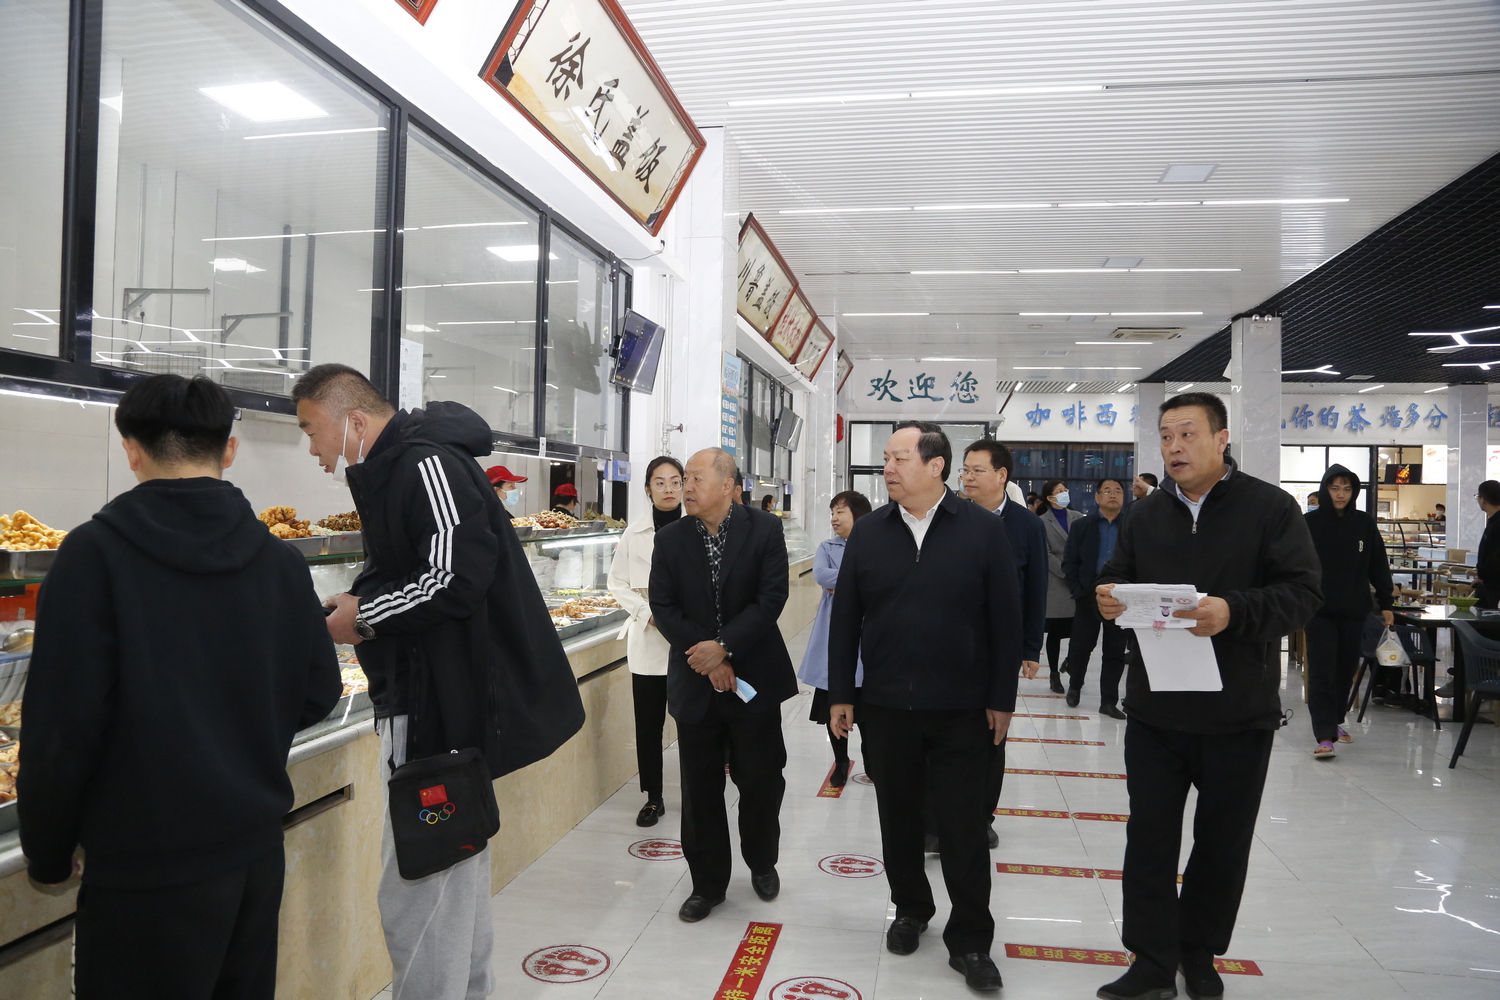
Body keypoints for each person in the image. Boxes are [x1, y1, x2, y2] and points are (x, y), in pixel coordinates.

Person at [20, 374, 342, 1000]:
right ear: (229, 450)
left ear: (130, 449)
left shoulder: (92, 556)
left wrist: (49, 852)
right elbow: (318, 690)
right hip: (253, 854)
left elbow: (62, 728)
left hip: (143, 864)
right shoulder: (279, 559)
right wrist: (238, 736)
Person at [293, 364, 584, 1000]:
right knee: (451, 875)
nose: (311, 447)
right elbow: (418, 566)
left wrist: (365, 616)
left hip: (436, 708)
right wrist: (362, 597)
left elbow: (456, 576)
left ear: (354, 420)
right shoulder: (395, 468)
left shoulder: (426, 464)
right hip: (429, 696)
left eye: (312, 430)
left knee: (421, 885)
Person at [1094, 391, 1321, 1000]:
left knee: (1222, 843)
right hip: (1156, 711)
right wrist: (1107, 595)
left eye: (1187, 434)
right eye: (1166, 436)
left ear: (1222, 439)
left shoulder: (1270, 509)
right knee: (1149, 839)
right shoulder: (1145, 515)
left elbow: (1303, 593)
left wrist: (1234, 611)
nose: (1174, 447)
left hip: (1238, 713)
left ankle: (1198, 955)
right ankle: (1150, 961)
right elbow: (1115, 576)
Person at [829, 421, 1021, 993]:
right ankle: (911, 908)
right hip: (887, 706)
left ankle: (971, 940)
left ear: (937, 466)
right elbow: (846, 618)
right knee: (899, 818)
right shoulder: (870, 533)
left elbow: (1005, 619)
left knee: (963, 825)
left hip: (962, 707)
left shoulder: (982, 530)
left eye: (900, 458)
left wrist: (1001, 698)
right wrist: (842, 692)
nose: (888, 468)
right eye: (887, 458)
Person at [649, 448, 797, 923]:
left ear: (729, 486)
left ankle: (762, 861)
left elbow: (770, 598)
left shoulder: (765, 529)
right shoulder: (670, 539)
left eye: (695, 478)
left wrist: (725, 647)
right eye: (684, 479)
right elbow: (664, 607)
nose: (685, 487)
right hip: (696, 683)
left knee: (762, 781)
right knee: (700, 790)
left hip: (754, 679)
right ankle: (707, 884)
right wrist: (709, 657)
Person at [957, 439, 1046, 850]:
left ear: (1001, 475)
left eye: (977, 470)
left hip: (1000, 647)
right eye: (965, 470)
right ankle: (940, 818)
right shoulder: (950, 517)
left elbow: (1035, 590)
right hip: (953, 644)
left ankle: (982, 816)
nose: (968, 478)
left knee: (993, 732)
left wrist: (1030, 648)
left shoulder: (1026, 526)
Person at [608, 455, 684, 827]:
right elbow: (617, 582)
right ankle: (653, 796)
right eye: (660, 482)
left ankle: (699, 791)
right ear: (648, 488)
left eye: (675, 482)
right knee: (649, 726)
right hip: (648, 637)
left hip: (689, 641)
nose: (668, 489)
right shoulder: (634, 532)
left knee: (692, 723)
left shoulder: (697, 526)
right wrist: (646, 613)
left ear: (684, 485)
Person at [1303, 464, 1395, 758]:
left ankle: (1335, 720)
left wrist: (1386, 603)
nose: (1340, 494)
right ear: (1325, 490)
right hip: (1319, 610)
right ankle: (1324, 735)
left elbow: (1378, 563)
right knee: (1321, 671)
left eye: (1347, 489)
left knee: (1345, 671)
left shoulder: (1364, 523)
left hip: (1354, 610)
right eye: (1334, 488)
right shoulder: (1308, 523)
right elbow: (1294, 563)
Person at [797, 490, 873, 788]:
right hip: (834, 633)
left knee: (868, 707)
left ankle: (873, 761)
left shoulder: (875, 545)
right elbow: (821, 575)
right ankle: (841, 761)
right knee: (833, 699)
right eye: (832, 512)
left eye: (840, 511)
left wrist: (842, 582)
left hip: (868, 636)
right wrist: (857, 582)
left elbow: (880, 577)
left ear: (859, 515)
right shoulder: (827, 546)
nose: (834, 518)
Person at [1061, 478, 1129, 718]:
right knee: (1081, 646)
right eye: (1107, 491)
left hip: (1121, 597)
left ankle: (1108, 701)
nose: (1113, 494)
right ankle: (1075, 687)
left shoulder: (1131, 526)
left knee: (1115, 651)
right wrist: (1078, 590)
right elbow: (1069, 562)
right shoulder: (1082, 526)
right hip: (1088, 594)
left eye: (1118, 491)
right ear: (1097, 497)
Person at [1040, 478, 1084, 693]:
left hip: (1078, 582)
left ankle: (1071, 662)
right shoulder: (1042, 522)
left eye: (1065, 489)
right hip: (1056, 583)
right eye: (1059, 491)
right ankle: (1054, 675)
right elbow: (1046, 553)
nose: (1064, 493)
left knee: (1080, 632)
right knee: (1056, 633)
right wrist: (1067, 572)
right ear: (1050, 497)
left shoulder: (1078, 518)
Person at [1474, 482, 1500, 610]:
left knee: (1489, 620)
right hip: (1487, 583)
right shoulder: (1493, 521)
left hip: (1494, 587)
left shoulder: (1497, 524)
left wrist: (1484, 577)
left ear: (1483, 499)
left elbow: (1495, 557)